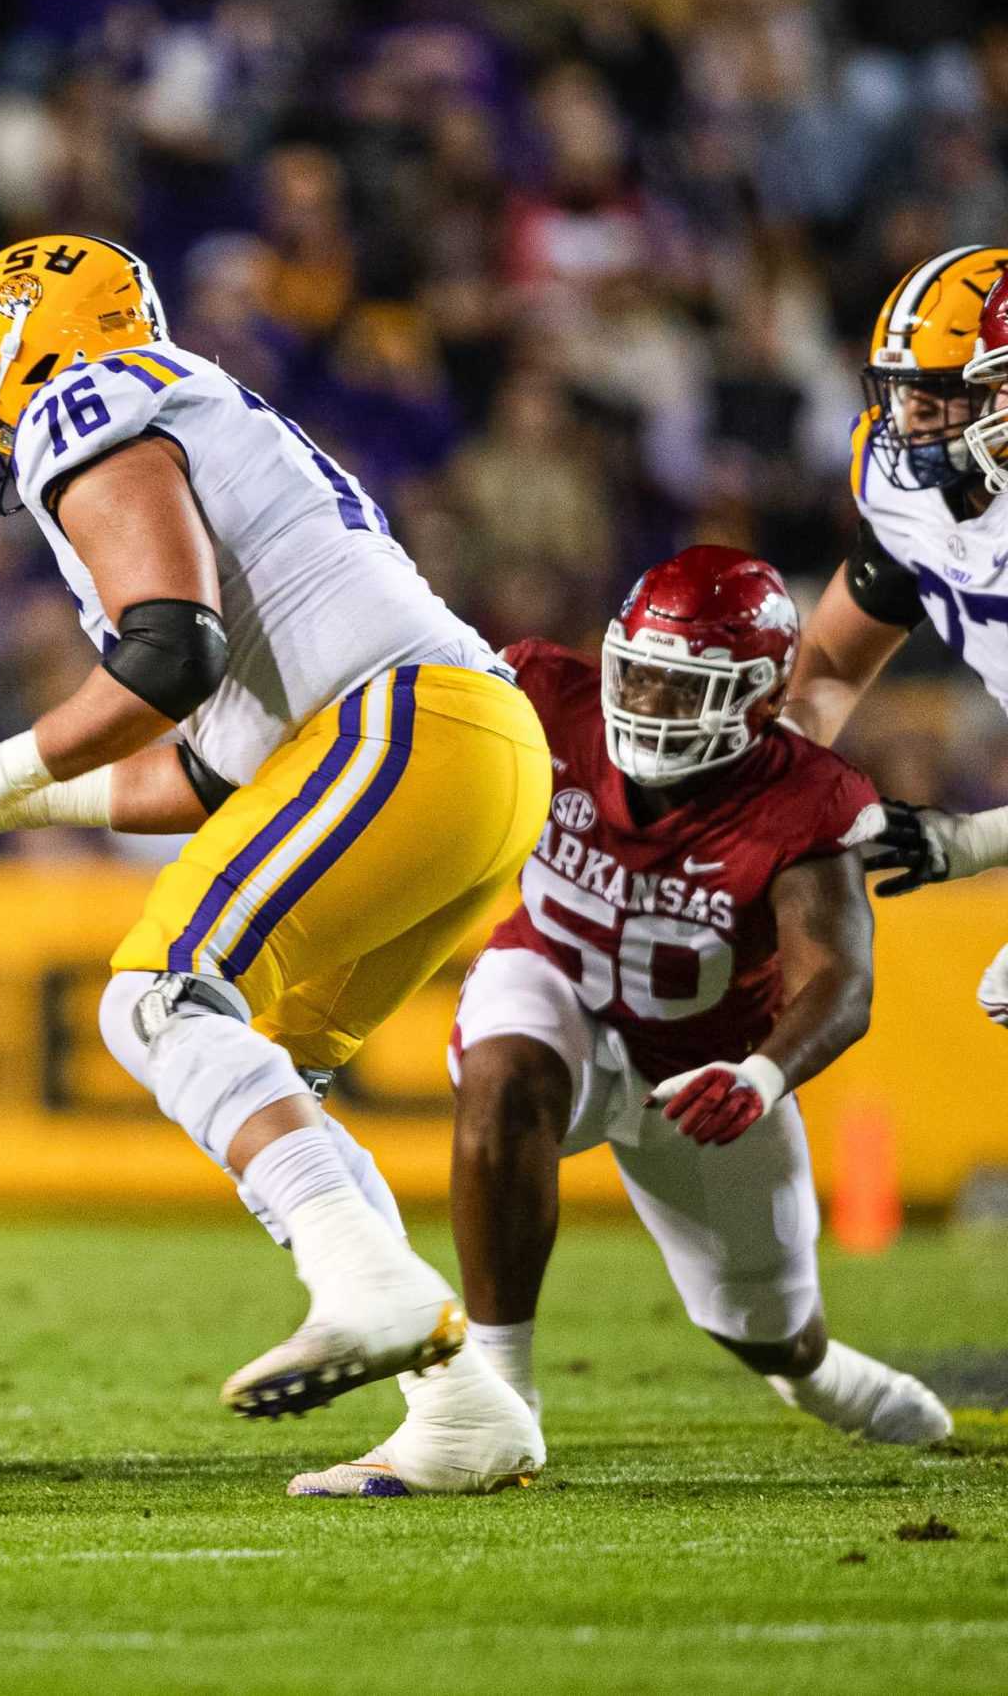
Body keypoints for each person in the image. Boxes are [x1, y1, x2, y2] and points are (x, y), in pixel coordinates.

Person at [0, 235, 546, 1475]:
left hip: (402, 726)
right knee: (263, 1070)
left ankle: (371, 1291)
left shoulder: (90, 395)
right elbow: (206, 773)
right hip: (462, 753)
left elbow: (168, 654)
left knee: (157, 996)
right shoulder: (203, 422)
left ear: (27, 347)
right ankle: (462, 1409)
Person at [295, 548, 949, 1497]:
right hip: (553, 984)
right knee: (506, 1064)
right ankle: (494, 1401)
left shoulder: (806, 794)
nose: (648, 700)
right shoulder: (538, 694)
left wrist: (761, 1074)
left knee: (768, 1326)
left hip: (702, 1072)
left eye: (685, 687)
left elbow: (840, 980)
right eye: (637, 671)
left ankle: (819, 1376)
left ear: (761, 697)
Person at [784, 254, 1008, 1029]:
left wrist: (976, 840)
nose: (908, 420)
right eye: (903, 392)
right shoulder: (903, 482)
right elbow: (861, 617)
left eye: (937, 396)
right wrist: (766, 776)